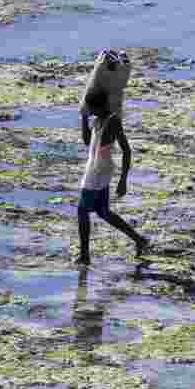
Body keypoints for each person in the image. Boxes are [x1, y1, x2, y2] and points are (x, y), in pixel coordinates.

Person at [76, 87, 148, 266]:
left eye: (90, 108)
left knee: (82, 211)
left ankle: (84, 255)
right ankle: (139, 240)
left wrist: (123, 180)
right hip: (95, 168)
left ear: (99, 107)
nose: (89, 111)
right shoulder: (97, 120)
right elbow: (87, 141)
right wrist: (84, 119)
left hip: (99, 172)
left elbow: (126, 150)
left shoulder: (112, 121)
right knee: (103, 212)